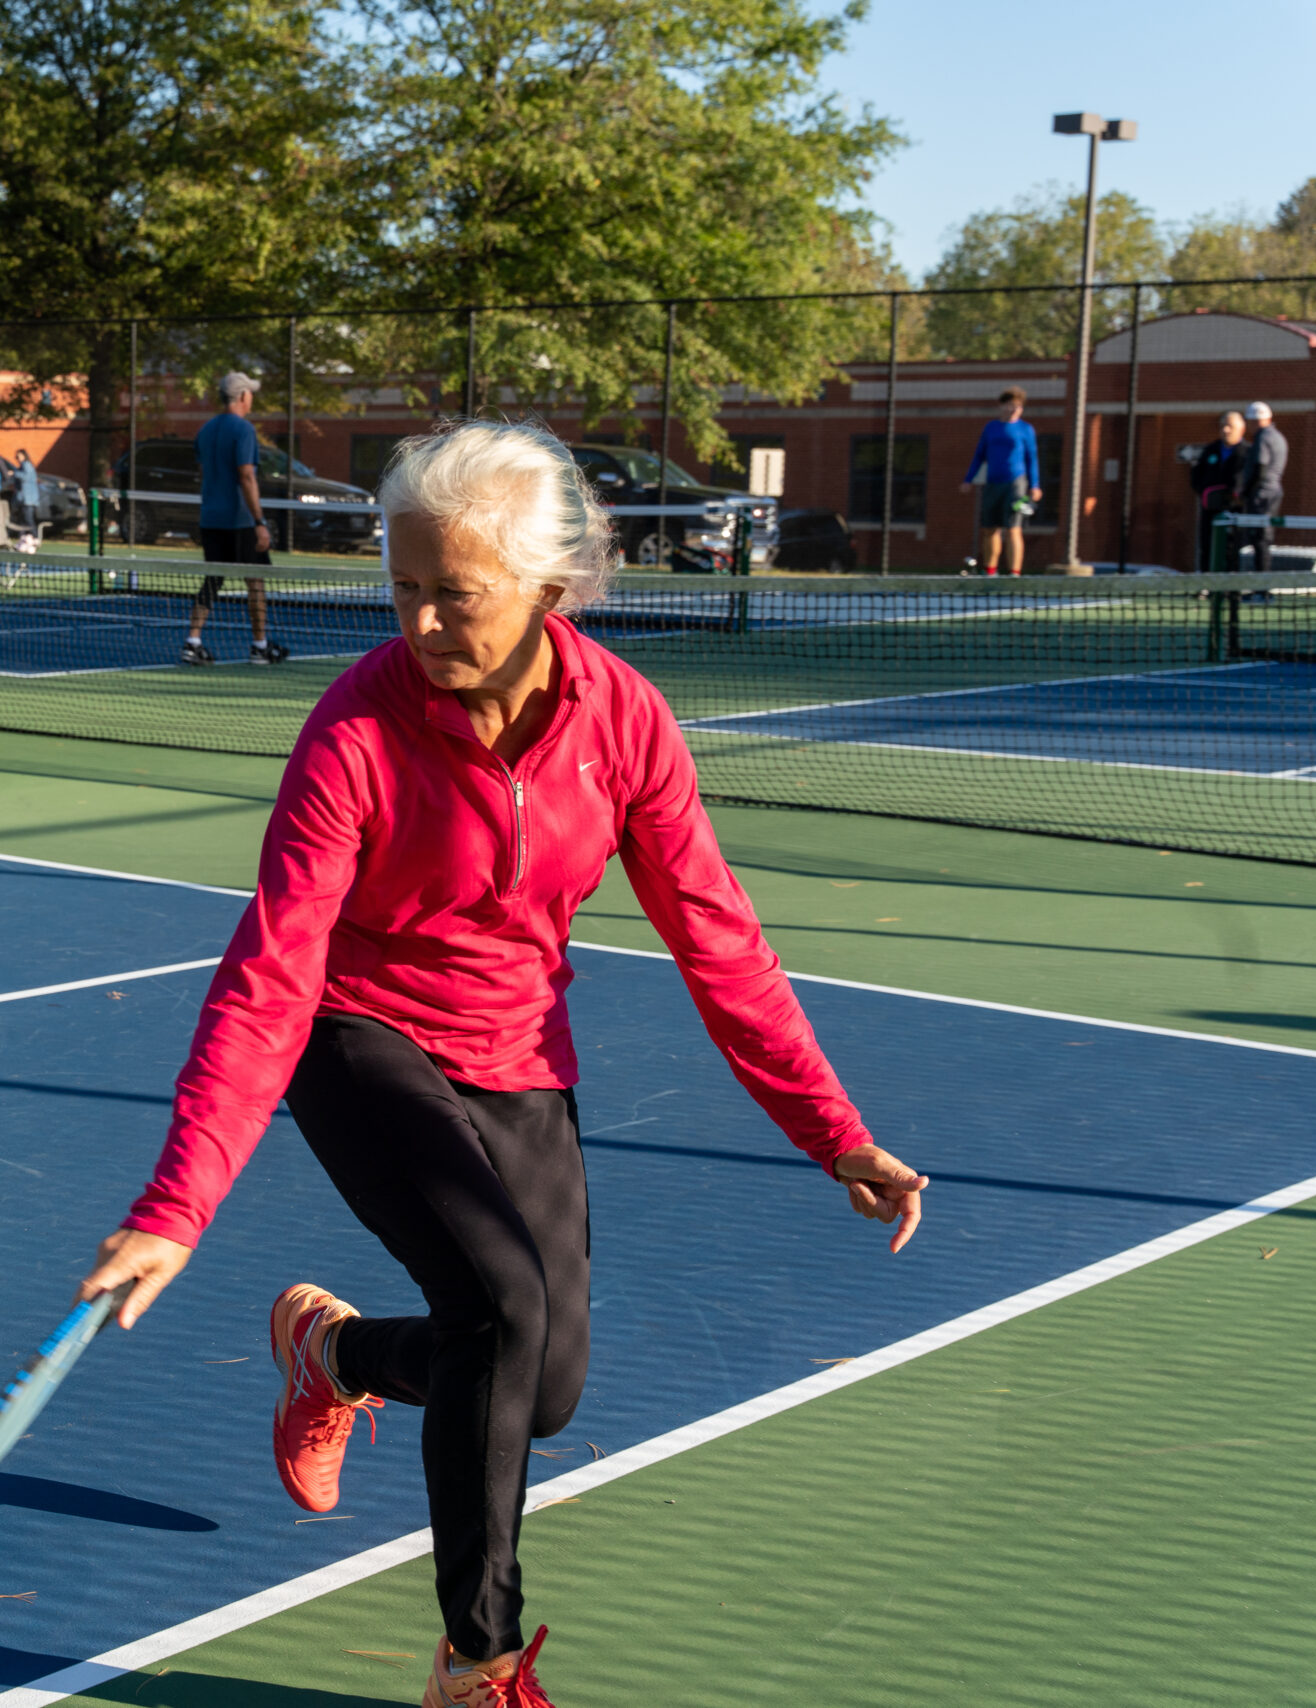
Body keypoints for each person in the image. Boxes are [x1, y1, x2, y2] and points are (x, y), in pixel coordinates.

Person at [75, 421, 927, 1708]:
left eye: (452, 593)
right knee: (502, 1311)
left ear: (548, 588)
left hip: (517, 1047)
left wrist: (832, 1131)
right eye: (401, 586)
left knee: (541, 1390)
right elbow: (270, 972)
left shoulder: (624, 721)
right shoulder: (354, 731)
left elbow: (719, 938)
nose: (417, 621)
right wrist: (176, 1206)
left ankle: (342, 1358)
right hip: (355, 1029)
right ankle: (478, 1661)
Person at [182, 371, 286, 666]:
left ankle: (192, 641)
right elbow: (246, 475)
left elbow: (203, 473)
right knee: (256, 583)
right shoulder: (244, 430)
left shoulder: (205, 430)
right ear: (242, 396)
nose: (251, 397)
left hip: (210, 519)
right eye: (250, 393)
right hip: (241, 522)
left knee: (212, 581)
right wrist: (259, 522)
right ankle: (259, 646)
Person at [959, 386, 1042, 576]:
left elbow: (1032, 459)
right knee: (989, 529)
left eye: (1019, 407)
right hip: (992, 483)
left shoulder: (1025, 429)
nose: (1014, 410)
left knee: (1013, 528)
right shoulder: (991, 428)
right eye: (1011, 405)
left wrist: (1035, 484)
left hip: (1016, 484)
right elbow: (979, 455)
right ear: (1001, 406)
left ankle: (1014, 574)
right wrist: (968, 479)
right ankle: (990, 572)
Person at [1232, 402, 1290, 575]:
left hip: (1262, 496)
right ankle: (1261, 587)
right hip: (1272, 493)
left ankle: (1261, 588)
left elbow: (1260, 469)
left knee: (1260, 541)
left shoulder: (1263, 437)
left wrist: (1245, 492)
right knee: (1262, 540)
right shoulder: (1278, 436)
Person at [1189, 411, 1246, 573]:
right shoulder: (1210, 450)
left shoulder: (1247, 452)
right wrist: (1206, 494)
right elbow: (1196, 477)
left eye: (1230, 426)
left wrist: (1235, 498)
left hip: (1235, 512)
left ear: (1241, 429)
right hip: (1211, 511)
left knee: (1231, 548)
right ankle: (1207, 583)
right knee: (1207, 545)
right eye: (1223, 426)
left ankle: (1229, 587)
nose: (1226, 430)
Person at [10, 447, 43, 543]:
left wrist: (14, 473)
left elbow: (25, 477)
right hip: (24, 499)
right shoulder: (22, 466)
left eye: (19, 456)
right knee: (22, 520)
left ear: (24, 456)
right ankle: (22, 538)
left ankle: (35, 537)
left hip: (28, 499)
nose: (17, 458)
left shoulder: (26, 465)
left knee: (28, 519)